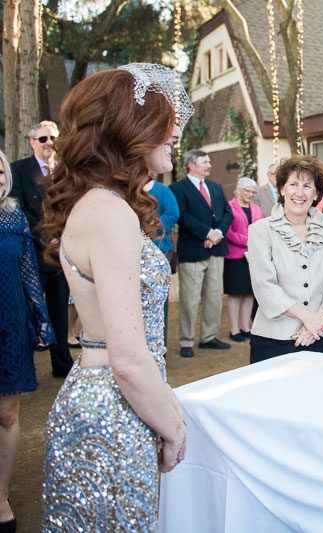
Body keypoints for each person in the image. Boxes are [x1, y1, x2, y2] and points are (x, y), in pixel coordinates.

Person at [38, 63, 192, 531]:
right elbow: (126, 358)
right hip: (114, 411)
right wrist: (174, 426)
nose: (175, 133)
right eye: (166, 122)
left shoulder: (101, 204)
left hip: (105, 401)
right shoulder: (110, 213)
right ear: (133, 127)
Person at [0, 149, 55, 532]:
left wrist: (42, 322)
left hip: (9, 326)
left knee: (6, 415)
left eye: (1, 173)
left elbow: (28, 273)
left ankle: (0, 495)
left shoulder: (14, 216)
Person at [247, 155, 323, 363]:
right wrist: (308, 317)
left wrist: (318, 320)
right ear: (282, 189)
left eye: (307, 186)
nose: (299, 193)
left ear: (317, 193)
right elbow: (264, 285)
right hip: (274, 339)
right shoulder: (260, 230)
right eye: (293, 184)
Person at [9, 120, 74, 378]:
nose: (49, 144)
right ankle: (26, 366)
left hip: (61, 255)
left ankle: (62, 363)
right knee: (29, 311)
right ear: (32, 143)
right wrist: (45, 239)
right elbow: (19, 209)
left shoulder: (67, 173)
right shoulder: (19, 170)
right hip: (32, 254)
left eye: (53, 138)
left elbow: (73, 207)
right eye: (43, 139)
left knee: (59, 310)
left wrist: (64, 238)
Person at [170, 150, 234, 358]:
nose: (209, 165)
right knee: (189, 299)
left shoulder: (215, 187)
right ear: (192, 164)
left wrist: (218, 234)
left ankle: (209, 337)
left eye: (209, 162)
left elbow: (228, 213)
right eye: (205, 162)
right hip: (193, 250)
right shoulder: (178, 188)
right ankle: (186, 341)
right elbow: (183, 216)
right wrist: (206, 233)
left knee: (214, 297)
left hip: (216, 250)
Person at [224, 177, 264, 342]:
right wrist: (245, 240)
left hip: (253, 257)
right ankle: (234, 330)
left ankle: (246, 326)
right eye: (247, 191)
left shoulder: (257, 209)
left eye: (253, 192)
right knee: (235, 294)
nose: (251, 194)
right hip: (235, 256)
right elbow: (227, 231)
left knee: (249, 294)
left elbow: (262, 229)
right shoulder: (229, 206)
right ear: (238, 190)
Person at [145, 167, 180, 345]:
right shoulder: (127, 191)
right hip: (133, 251)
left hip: (160, 249)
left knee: (160, 300)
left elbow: (173, 213)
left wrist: (153, 226)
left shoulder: (161, 190)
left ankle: (160, 344)